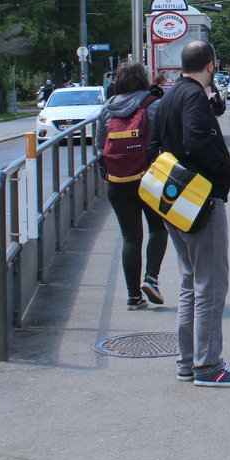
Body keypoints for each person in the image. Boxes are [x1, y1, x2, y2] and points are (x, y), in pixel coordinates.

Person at [148, 41, 230, 387]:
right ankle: (208, 367)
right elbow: (196, 140)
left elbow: (155, 146)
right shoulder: (193, 97)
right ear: (210, 65)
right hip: (199, 200)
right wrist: (225, 170)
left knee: (191, 282)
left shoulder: (170, 95)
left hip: (173, 200)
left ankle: (187, 361)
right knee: (211, 283)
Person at [97, 61, 167, 311]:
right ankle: (151, 278)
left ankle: (133, 296)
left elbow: (99, 147)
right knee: (158, 229)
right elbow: (166, 143)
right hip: (149, 178)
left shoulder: (107, 109)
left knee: (130, 236)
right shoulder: (154, 105)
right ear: (143, 80)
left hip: (116, 181)